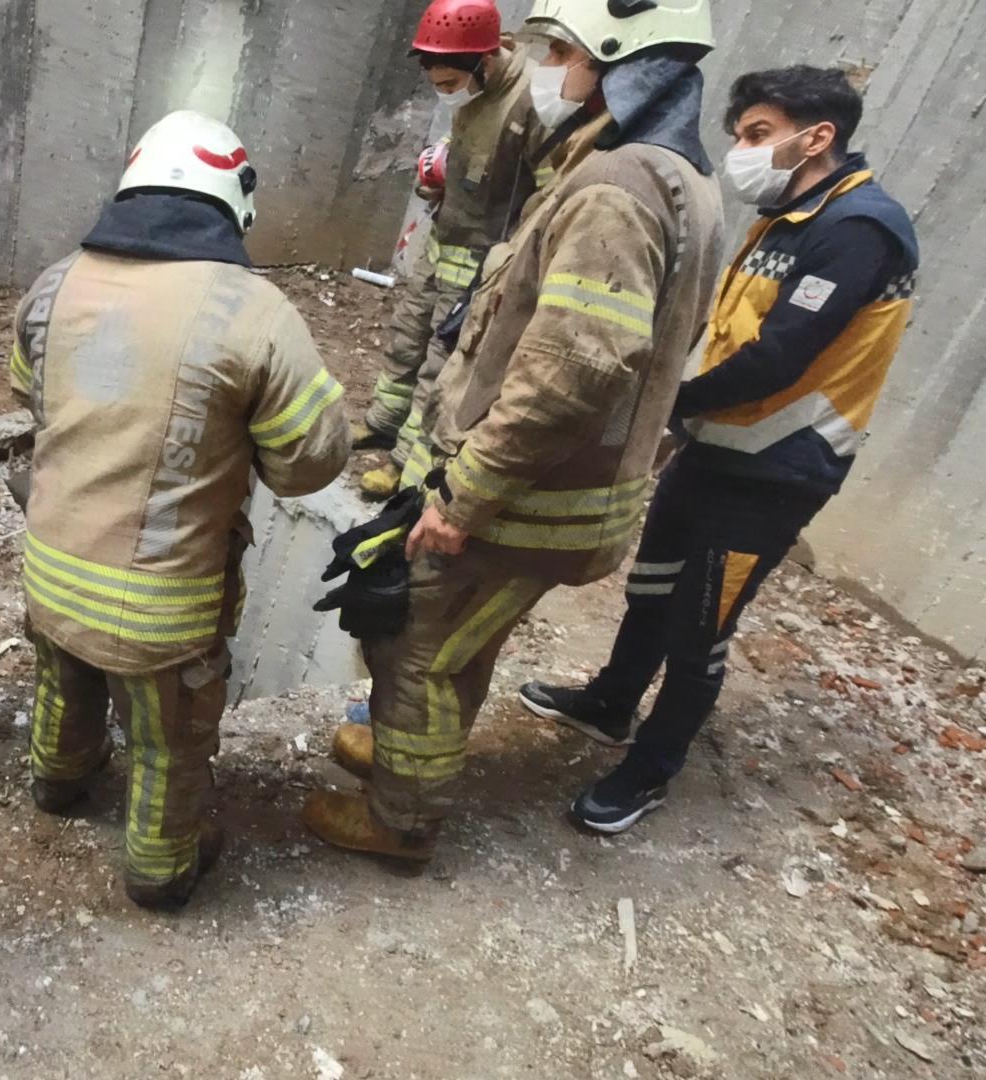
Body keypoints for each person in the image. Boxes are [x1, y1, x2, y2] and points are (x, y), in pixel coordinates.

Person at [305, 0, 726, 862]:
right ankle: (400, 764)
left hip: (527, 497)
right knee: (461, 639)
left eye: (565, 51)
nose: (554, 70)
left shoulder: (619, 189)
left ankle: (398, 819)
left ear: (615, 59)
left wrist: (466, 495)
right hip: (569, 490)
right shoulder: (679, 179)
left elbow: (574, 365)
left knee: (417, 645)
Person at [520, 65, 920, 834]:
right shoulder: (790, 215)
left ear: (819, 136)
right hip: (718, 447)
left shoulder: (859, 229)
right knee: (654, 585)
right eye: (740, 135)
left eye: (758, 135)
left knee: (700, 627)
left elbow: (779, 359)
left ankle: (650, 770)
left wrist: (662, 402)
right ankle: (611, 702)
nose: (742, 150)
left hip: (777, 469)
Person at [11, 111, 355, 908]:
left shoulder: (54, 282)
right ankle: (160, 873)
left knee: (63, 681)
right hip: (160, 605)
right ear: (231, 202)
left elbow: (30, 395)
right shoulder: (253, 312)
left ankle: (58, 784)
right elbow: (311, 463)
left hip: (52, 574)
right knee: (172, 741)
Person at [357, 0, 549, 500]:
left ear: (483, 63)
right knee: (406, 334)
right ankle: (383, 421)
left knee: (441, 364)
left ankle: (406, 464)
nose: (444, 95)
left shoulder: (529, 102)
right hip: (443, 240)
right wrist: (438, 177)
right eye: (435, 84)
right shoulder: (471, 95)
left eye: (448, 85)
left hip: (482, 261)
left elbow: (548, 197)